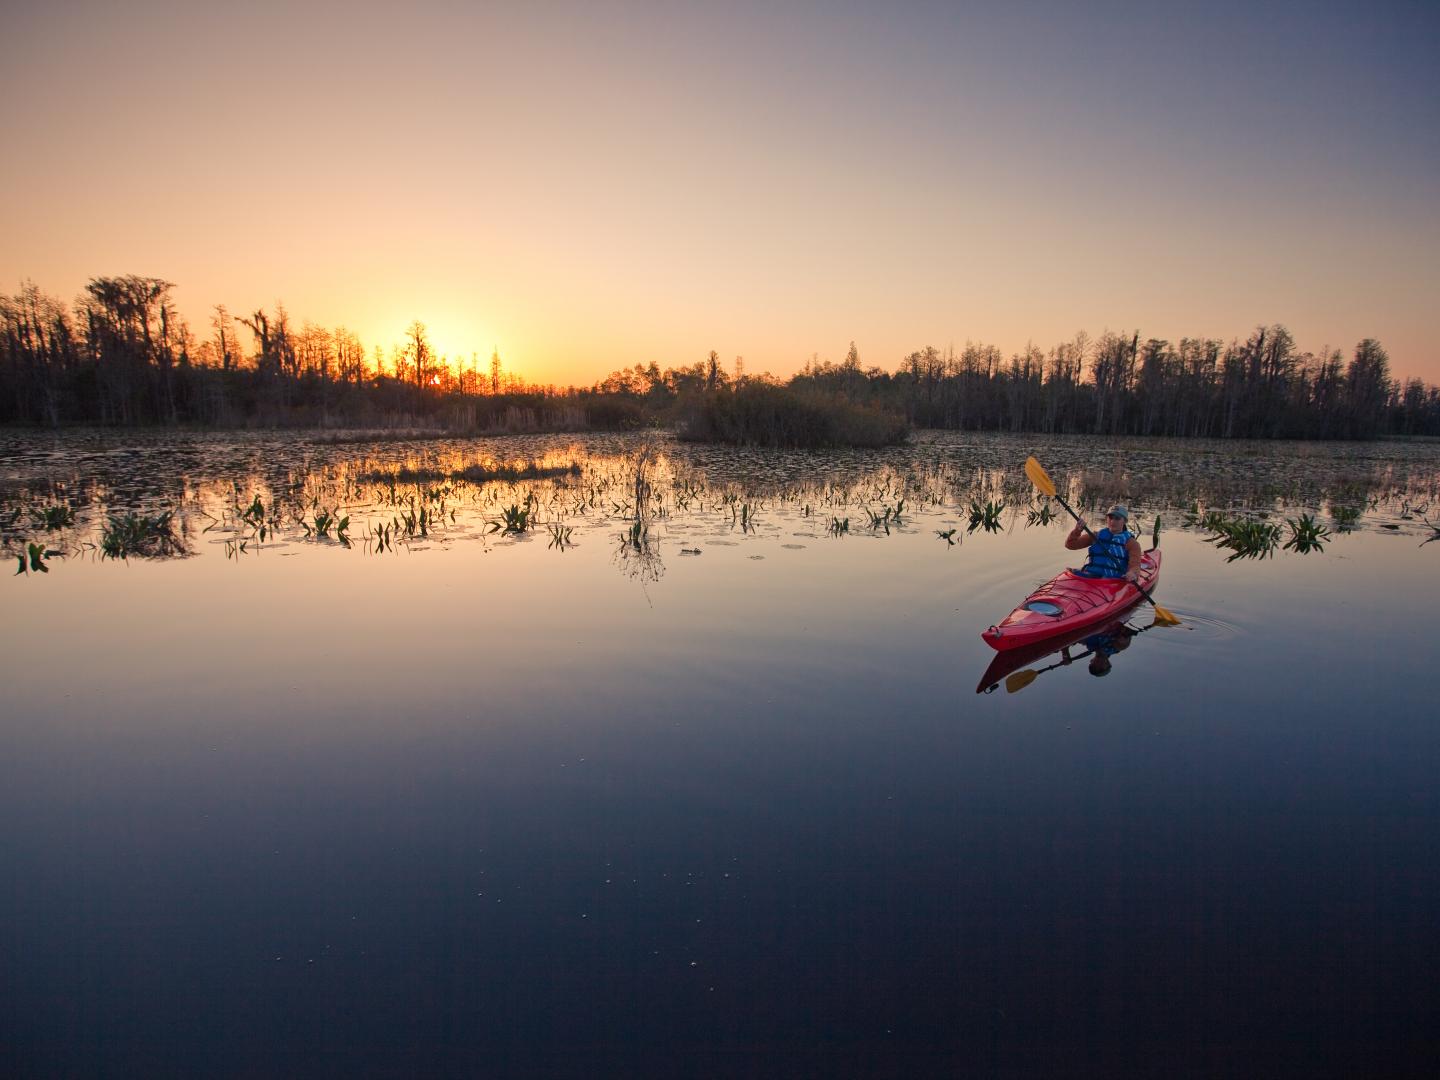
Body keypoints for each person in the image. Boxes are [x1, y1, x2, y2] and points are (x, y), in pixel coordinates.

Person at [1064, 504, 1142, 582]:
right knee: (1072, 573)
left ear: (1124, 521)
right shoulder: (1096, 536)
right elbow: (1070, 545)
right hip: (1090, 576)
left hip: (1114, 581)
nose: (1112, 521)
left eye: (1117, 518)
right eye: (1110, 518)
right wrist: (1077, 530)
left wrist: (1132, 573)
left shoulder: (1131, 543)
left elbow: (1135, 565)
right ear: (1107, 518)